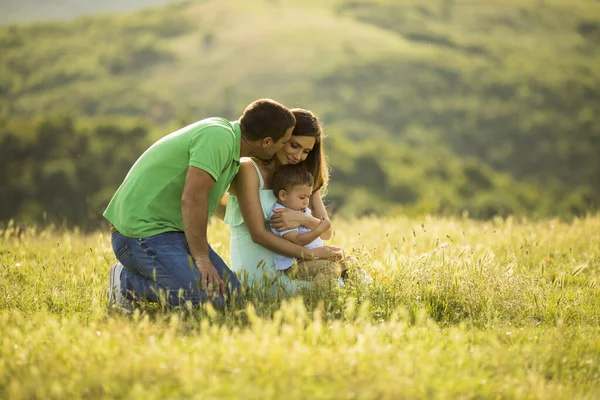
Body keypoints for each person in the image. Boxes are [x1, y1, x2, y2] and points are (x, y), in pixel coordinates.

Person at [105, 98, 296, 312]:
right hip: (141, 232)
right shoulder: (218, 138)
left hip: (174, 232)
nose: (285, 147)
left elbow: (213, 202)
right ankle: (125, 282)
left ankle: (153, 278)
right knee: (207, 302)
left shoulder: (230, 145)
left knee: (232, 297)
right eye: (284, 142)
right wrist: (202, 258)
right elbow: (193, 198)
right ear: (267, 142)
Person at [224, 108, 343, 292]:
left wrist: (303, 219)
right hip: (259, 271)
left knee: (342, 278)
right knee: (333, 286)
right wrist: (310, 254)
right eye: (294, 145)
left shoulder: (300, 179)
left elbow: (326, 233)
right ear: (281, 139)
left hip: (293, 267)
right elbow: (257, 234)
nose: (298, 156)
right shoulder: (250, 169)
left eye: (306, 151)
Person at [269, 164, 342, 284]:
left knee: (349, 262)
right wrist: (318, 230)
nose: (307, 201)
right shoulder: (281, 214)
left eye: (308, 196)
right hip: (297, 264)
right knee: (329, 268)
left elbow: (324, 234)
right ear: (283, 195)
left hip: (316, 256)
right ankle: (316, 299)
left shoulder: (302, 209)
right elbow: (297, 240)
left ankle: (361, 292)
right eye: (302, 197)